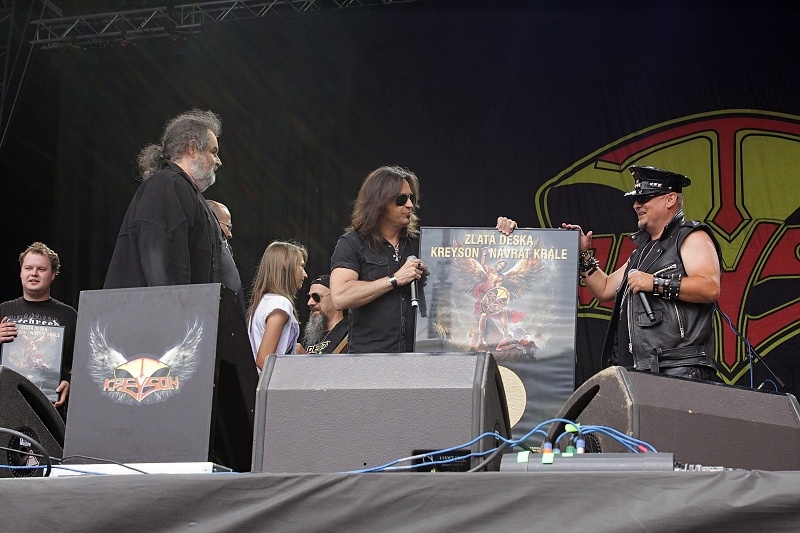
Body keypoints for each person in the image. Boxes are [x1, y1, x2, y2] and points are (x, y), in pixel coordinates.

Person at [330, 165, 518, 353]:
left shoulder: (423, 244)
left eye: (411, 198)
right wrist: (395, 279)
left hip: (419, 358)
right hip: (370, 358)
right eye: (401, 199)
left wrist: (502, 235)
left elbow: (468, 261)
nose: (410, 205)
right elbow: (340, 296)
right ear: (379, 202)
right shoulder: (353, 243)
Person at [562, 165, 721, 381]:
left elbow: (709, 288)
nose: (637, 205)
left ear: (670, 199)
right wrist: (582, 255)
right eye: (635, 200)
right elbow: (605, 289)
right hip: (642, 369)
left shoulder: (691, 236)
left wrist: (655, 283)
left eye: (645, 198)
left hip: (679, 369)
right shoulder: (642, 252)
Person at [104, 109, 238, 298]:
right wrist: (177, 311)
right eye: (213, 152)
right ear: (192, 148)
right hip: (170, 313)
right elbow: (163, 271)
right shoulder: (165, 186)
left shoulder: (184, 191)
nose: (219, 161)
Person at [0, 242, 75, 417]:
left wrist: (70, 381)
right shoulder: (3, 310)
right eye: (28, 268)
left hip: (50, 409)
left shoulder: (68, 315)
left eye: (41, 269)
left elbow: (83, 363)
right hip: (5, 407)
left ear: (53, 274)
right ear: (21, 272)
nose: (34, 273)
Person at [247, 241, 308, 369]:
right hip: (271, 381)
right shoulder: (280, 304)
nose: (305, 274)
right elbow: (264, 360)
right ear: (286, 264)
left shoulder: (265, 302)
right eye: (301, 266)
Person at [302, 275, 348, 354]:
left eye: (316, 297)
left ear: (334, 298)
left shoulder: (349, 334)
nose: (310, 303)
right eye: (309, 297)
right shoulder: (310, 337)